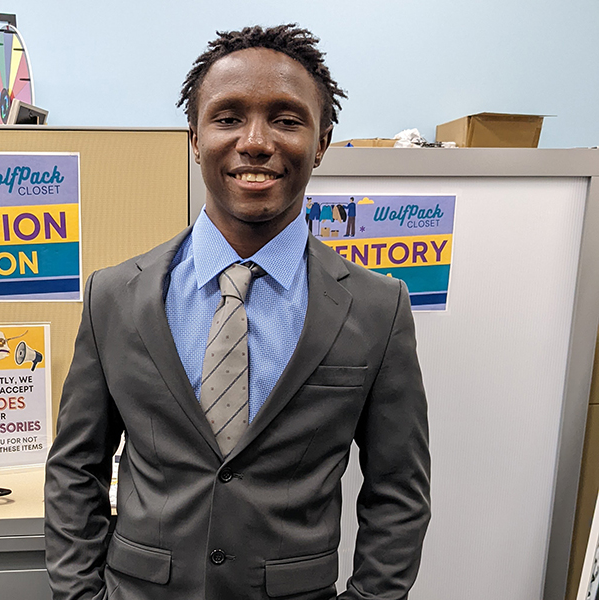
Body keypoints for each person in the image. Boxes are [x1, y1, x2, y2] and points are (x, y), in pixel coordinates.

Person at [45, 24, 430, 600]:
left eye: (286, 118)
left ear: (321, 142)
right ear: (195, 139)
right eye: (227, 118)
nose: (255, 141)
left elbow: (398, 490)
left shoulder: (377, 307)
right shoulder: (115, 296)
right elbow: (76, 469)